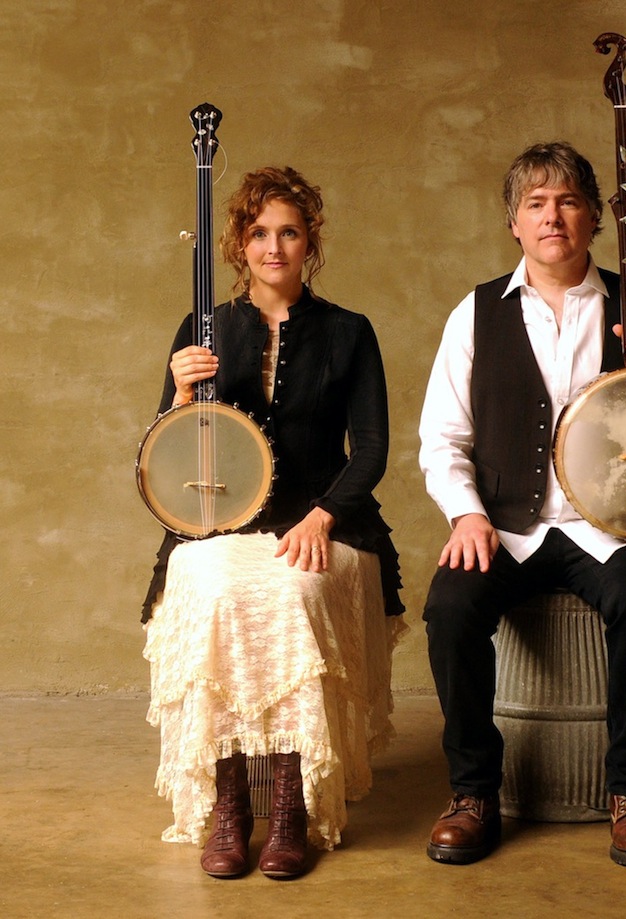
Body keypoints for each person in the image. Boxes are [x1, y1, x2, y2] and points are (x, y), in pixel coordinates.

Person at [418, 141, 626, 869]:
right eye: (536, 203)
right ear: (513, 221)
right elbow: (442, 436)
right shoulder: (475, 313)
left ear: (594, 218)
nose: (553, 216)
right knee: (449, 606)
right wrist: (467, 513)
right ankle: (472, 791)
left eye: (568, 201)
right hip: (507, 526)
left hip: (607, 528)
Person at [141, 166, 404, 880]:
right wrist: (178, 390)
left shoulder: (350, 332)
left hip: (330, 518)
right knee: (215, 589)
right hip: (219, 526)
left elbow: (373, 448)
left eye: (289, 231)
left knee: (294, 591)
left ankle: (290, 808)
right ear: (238, 243)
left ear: (309, 240)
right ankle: (231, 810)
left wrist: (323, 515)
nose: (274, 246)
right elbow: (167, 454)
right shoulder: (206, 328)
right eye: (259, 233)